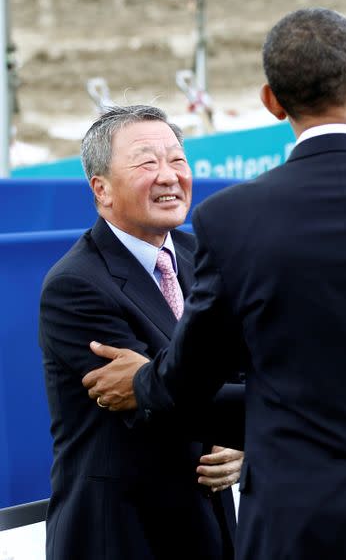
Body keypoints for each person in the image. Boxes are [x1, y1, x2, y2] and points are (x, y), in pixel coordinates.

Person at [82, 8, 346, 560]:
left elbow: (194, 373)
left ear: (271, 101)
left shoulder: (231, 219)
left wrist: (143, 383)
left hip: (295, 519)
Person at [39, 105, 244, 560]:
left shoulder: (204, 257)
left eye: (177, 160)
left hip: (210, 530)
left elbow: (241, 372)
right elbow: (153, 411)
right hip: (123, 534)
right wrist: (258, 417)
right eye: (147, 163)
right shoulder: (76, 285)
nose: (169, 176)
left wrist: (242, 444)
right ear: (102, 189)